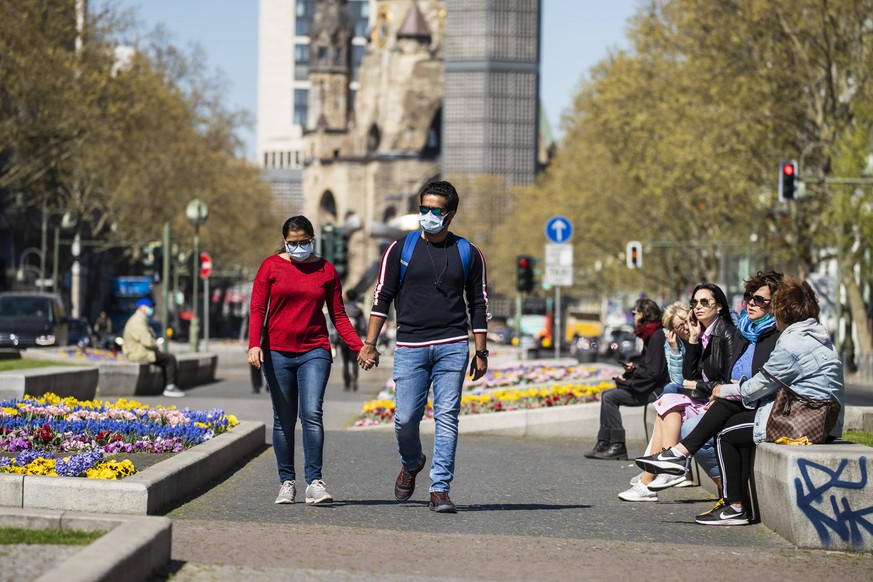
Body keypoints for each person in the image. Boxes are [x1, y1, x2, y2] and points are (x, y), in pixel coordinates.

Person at [637, 276, 844, 525]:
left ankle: (732, 504)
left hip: (805, 422)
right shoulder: (811, 333)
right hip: (807, 414)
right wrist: (731, 389)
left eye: (766, 303)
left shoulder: (791, 342)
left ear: (780, 310)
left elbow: (758, 386)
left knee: (727, 432)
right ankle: (684, 461)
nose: (753, 304)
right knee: (728, 413)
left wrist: (724, 390)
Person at [357, 180, 489, 514]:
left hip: (452, 346)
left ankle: (440, 489)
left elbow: (478, 302)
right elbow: (381, 296)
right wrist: (370, 344)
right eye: (424, 209)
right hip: (410, 346)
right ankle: (412, 461)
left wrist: (481, 350)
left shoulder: (468, 253)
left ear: (450, 214)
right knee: (405, 419)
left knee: (447, 417)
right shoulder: (400, 249)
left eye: (436, 210)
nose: (428, 215)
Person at [248, 215, 364, 506]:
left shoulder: (326, 270)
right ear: (284, 241)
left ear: (313, 239)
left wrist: (359, 347)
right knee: (283, 419)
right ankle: (286, 482)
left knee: (311, 413)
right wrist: (253, 345)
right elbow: (258, 308)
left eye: (304, 242)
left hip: (315, 350)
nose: (298, 247)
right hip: (277, 352)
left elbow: (338, 315)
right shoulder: (270, 266)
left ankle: (315, 482)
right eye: (292, 242)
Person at [585, 298, 669, 461]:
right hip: (648, 385)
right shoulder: (650, 335)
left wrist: (632, 378)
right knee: (607, 395)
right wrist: (633, 370)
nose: (634, 316)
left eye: (635, 313)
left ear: (644, 314)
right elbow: (649, 366)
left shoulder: (656, 336)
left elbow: (654, 372)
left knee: (610, 397)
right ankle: (604, 441)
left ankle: (617, 445)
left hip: (653, 390)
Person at [122, 298, 183, 398]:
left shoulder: (140, 319)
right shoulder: (137, 321)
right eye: (149, 307)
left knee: (165, 358)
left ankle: (168, 386)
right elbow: (147, 341)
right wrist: (156, 344)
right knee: (169, 359)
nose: (151, 309)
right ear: (141, 308)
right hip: (138, 353)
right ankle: (170, 387)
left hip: (140, 351)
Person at [340, 290, 366, 391]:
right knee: (355, 361)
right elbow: (363, 326)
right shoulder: (358, 310)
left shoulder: (343, 308)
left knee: (345, 362)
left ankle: (347, 383)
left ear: (346, 296)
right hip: (355, 338)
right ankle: (355, 378)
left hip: (343, 339)